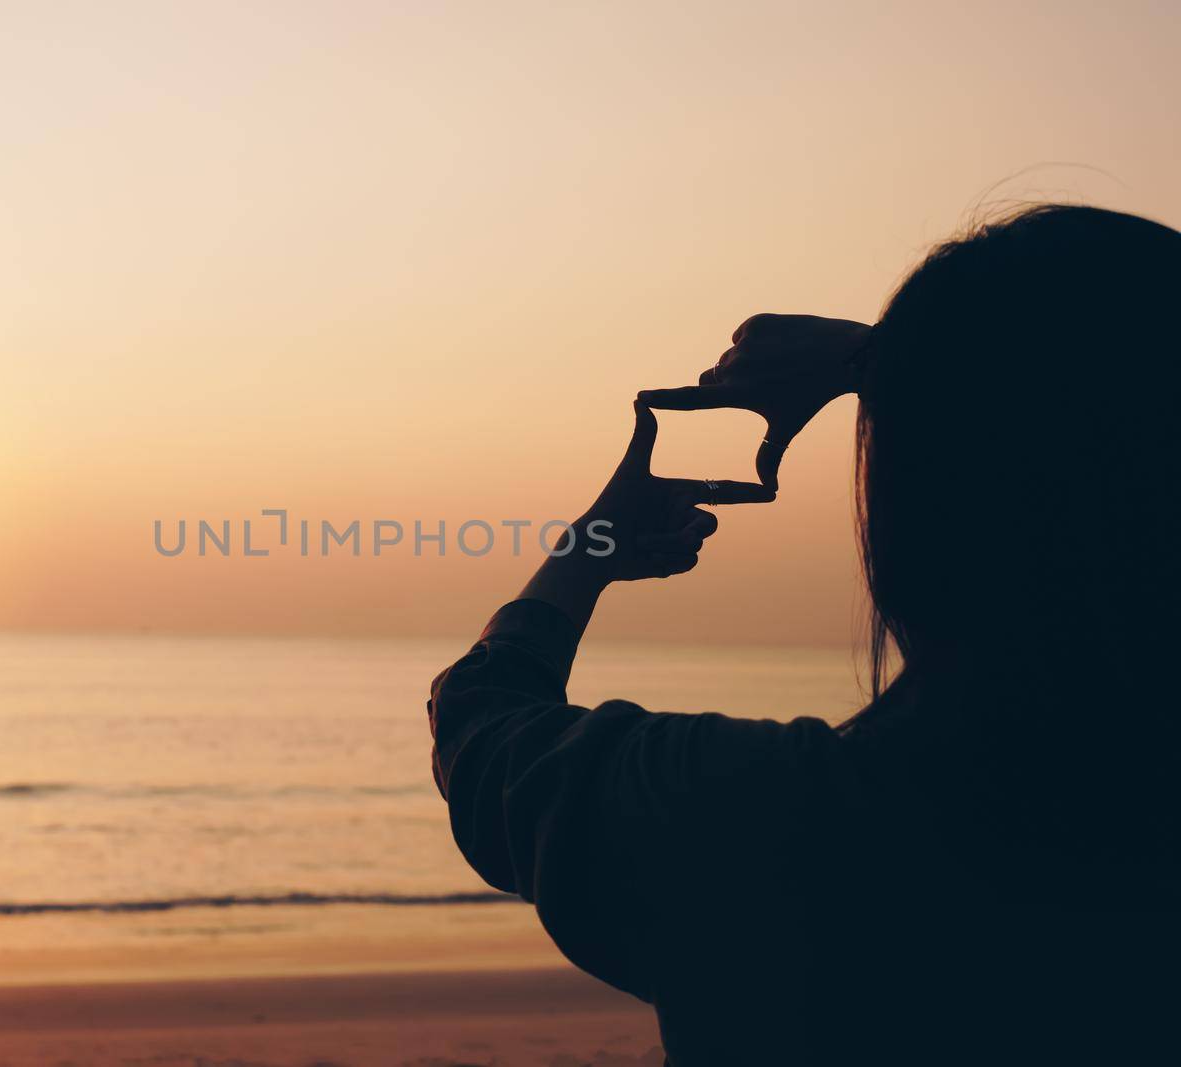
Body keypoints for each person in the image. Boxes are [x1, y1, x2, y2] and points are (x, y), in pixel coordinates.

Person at [427, 204, 1181, 1066]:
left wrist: (589, 549)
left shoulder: (750, 822)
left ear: (916, 520)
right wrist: (888, 359)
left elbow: (484, 726)